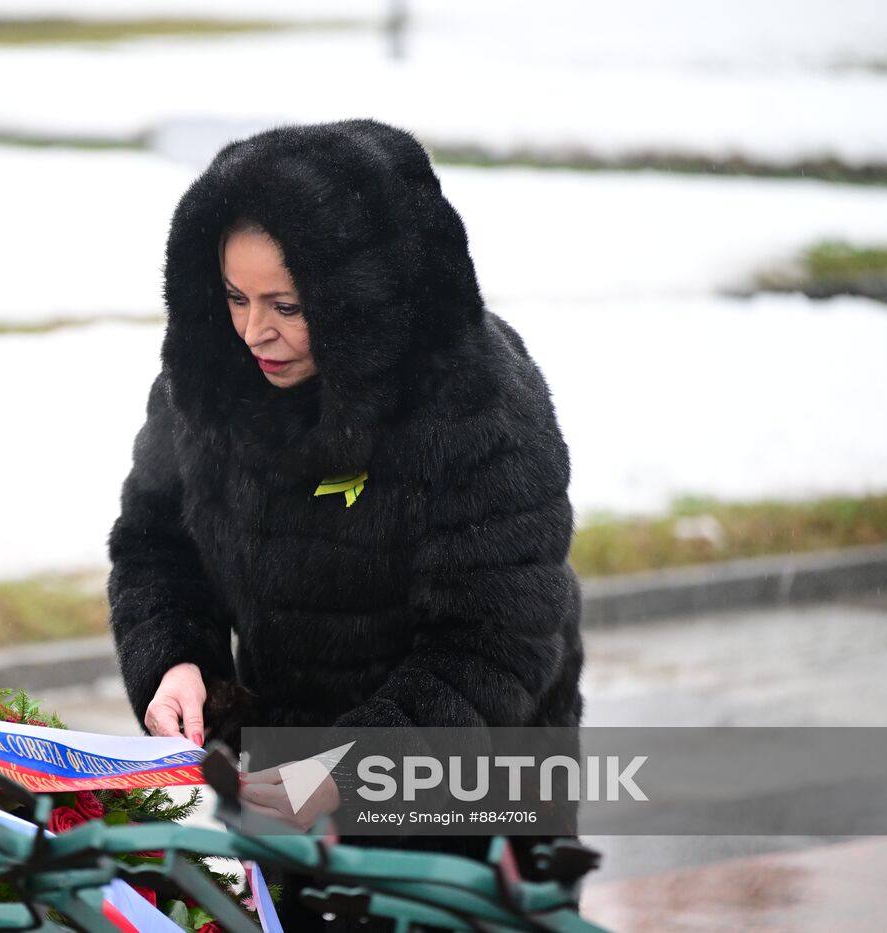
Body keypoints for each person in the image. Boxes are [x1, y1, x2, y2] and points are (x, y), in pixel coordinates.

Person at [106, 119, 585, 929]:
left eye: (287, 306)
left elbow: (494, 648)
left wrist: (348, 772)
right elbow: (157, 543)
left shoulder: (477, 407)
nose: (255, 331)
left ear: (361, 300)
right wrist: (175, 662)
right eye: (234, 296)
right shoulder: (210, 381)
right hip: (282, 775)